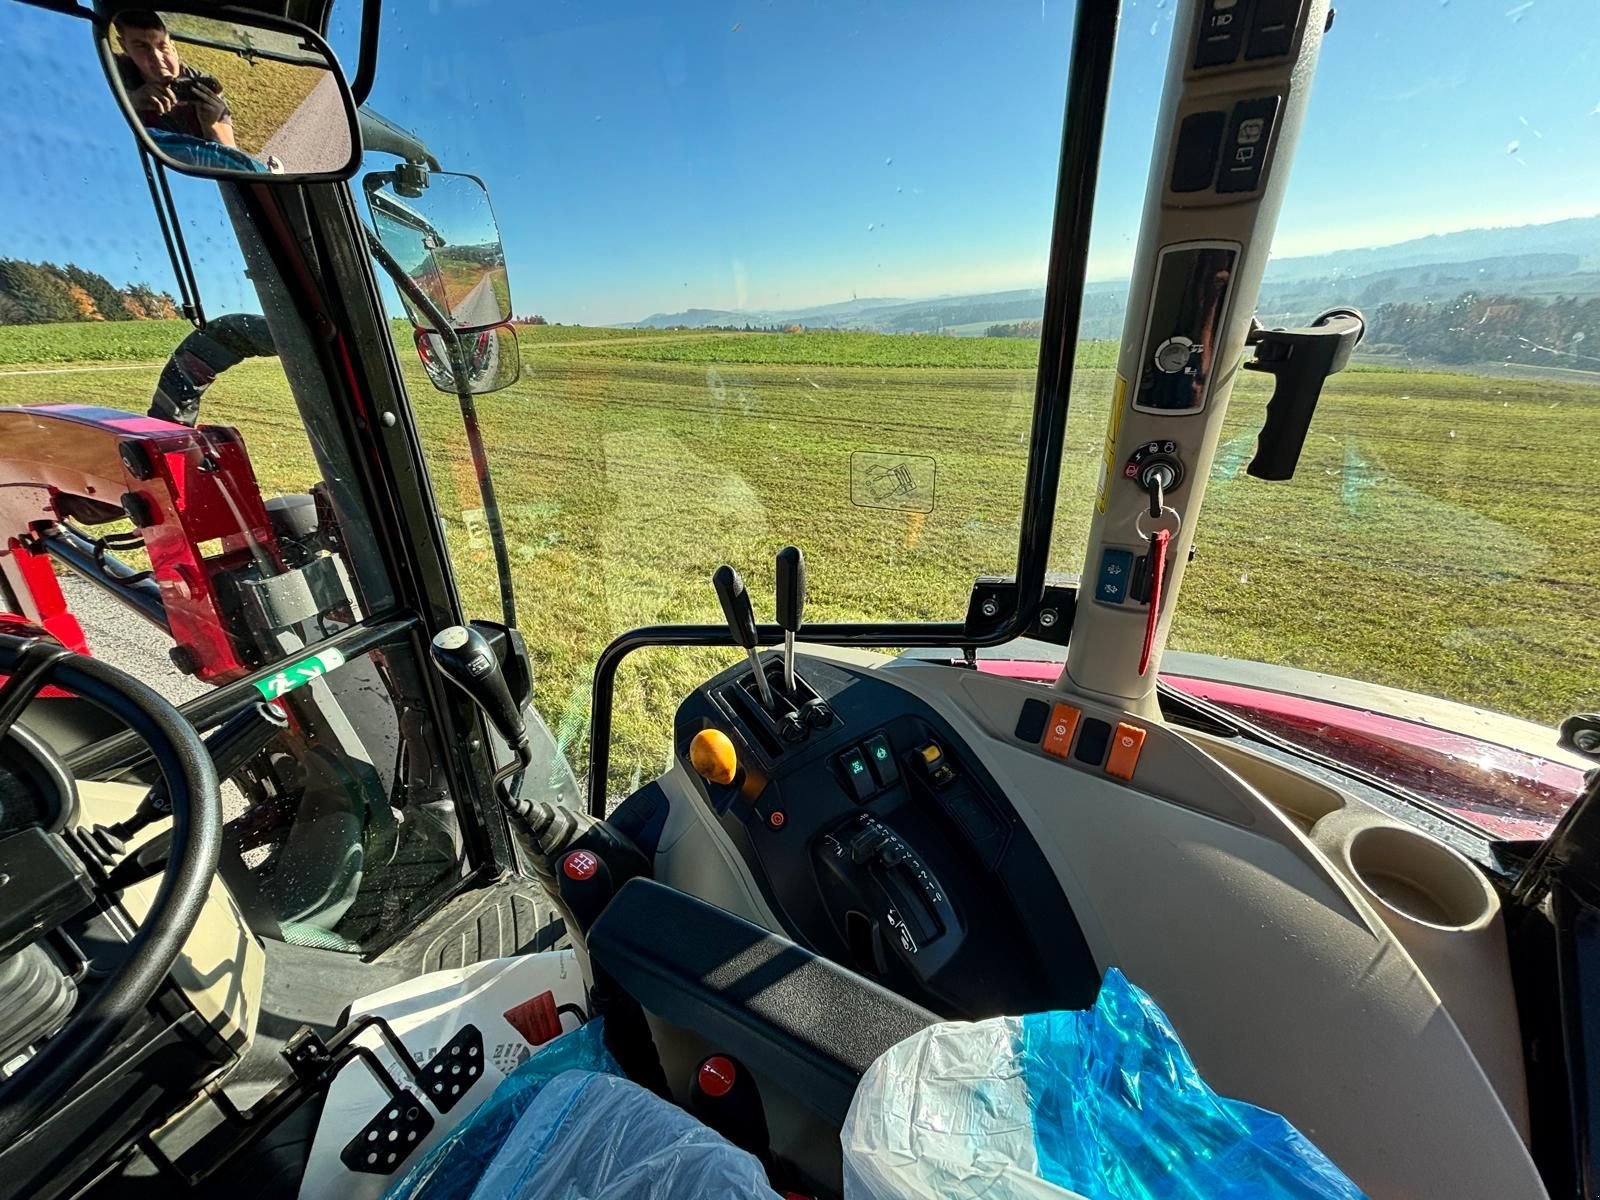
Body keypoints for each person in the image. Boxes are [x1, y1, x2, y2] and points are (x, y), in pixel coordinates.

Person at [112, 11, 235, 147]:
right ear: (124, 47)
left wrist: (211, 125)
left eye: (162, 46)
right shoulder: (113, 70)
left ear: (173, 47)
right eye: (142, 47)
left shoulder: (203, 85)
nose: (158, 59)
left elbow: (231, 154)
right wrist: (130, 101)